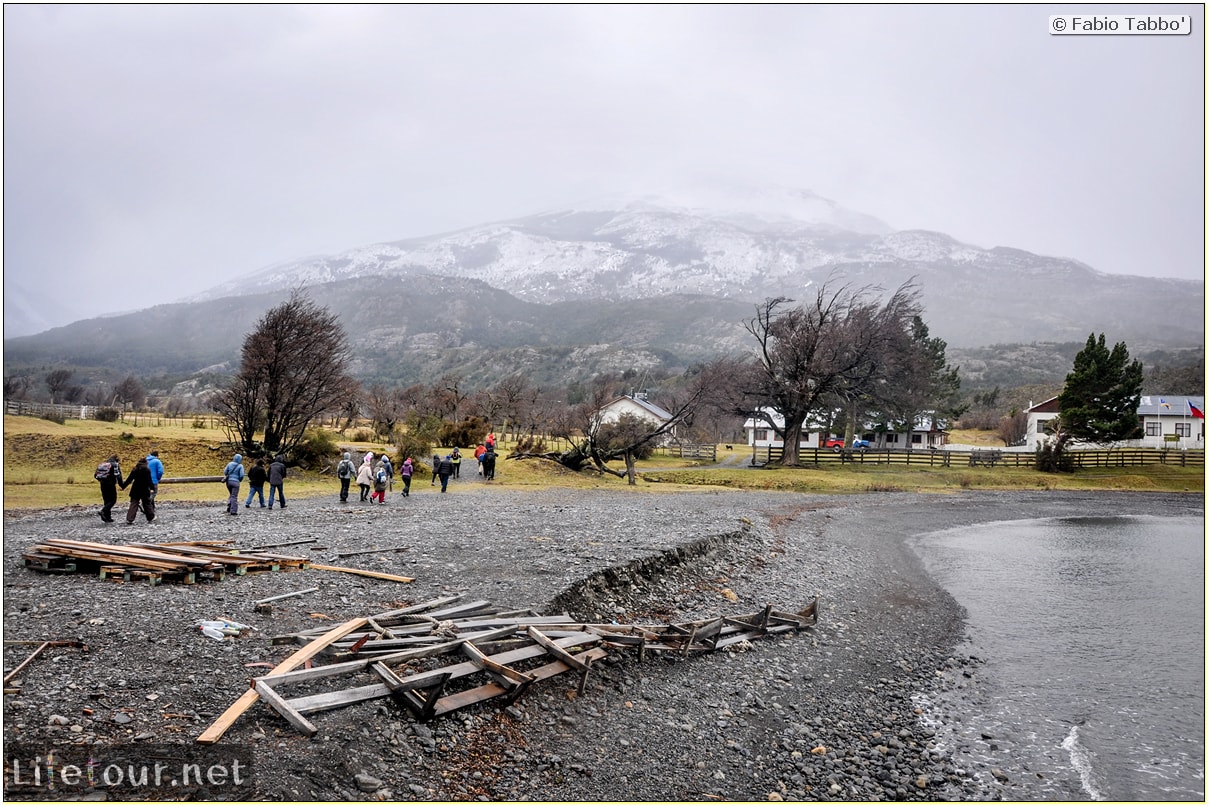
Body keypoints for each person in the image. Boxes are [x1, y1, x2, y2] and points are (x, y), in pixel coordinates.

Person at [122, 456, 155, 525]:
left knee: (134, 504)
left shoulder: (135, 469)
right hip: (144, 489)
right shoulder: (147, 470)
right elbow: (149, 480)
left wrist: (123, 486)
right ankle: (150, 517)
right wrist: (152, 488)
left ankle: (130, 519)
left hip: (135, 489)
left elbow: (129, 479)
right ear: (146, 462)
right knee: (147, 504)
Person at [96, 454, 122, 523]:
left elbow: (95, 475)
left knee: (106, 500)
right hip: (110, 485)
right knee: (113, 500)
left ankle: (107, 517)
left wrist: (102, 481)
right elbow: (118, 476)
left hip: (102, 484)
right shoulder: (115, 464)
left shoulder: (103, 464)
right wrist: (121, 484)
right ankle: (103, 511)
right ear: (116, 459)